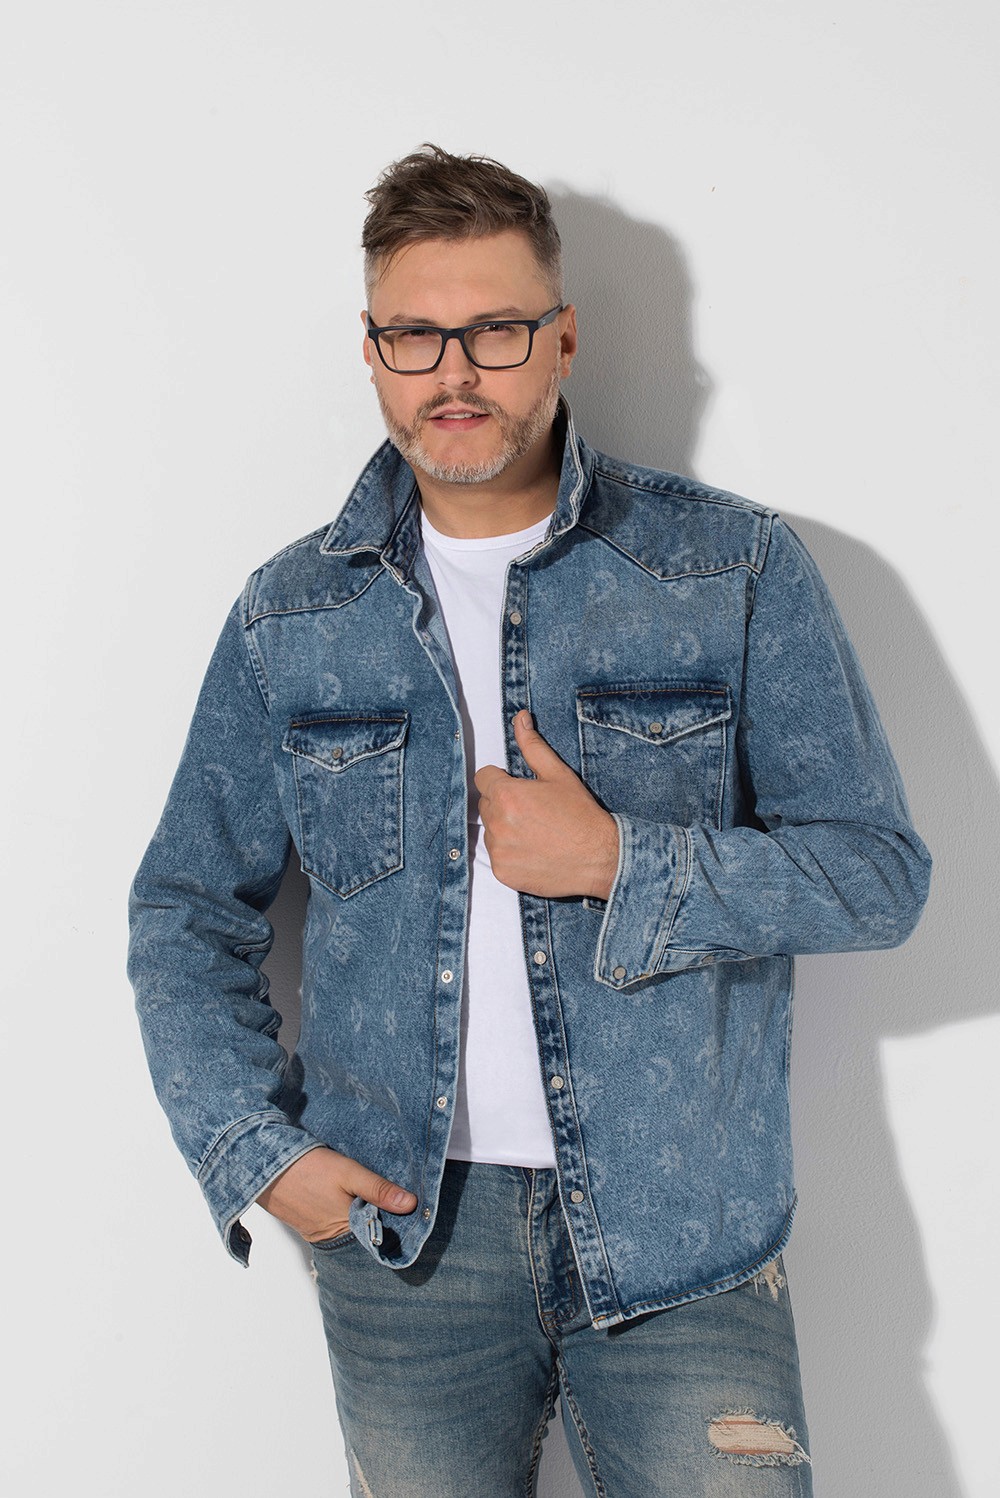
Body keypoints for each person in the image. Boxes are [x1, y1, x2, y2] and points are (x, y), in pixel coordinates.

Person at [129, 145, 931, 1496]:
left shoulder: (729, 566)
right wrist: (257, 1153)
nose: (455, 371)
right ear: (372, 351)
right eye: (415, 334)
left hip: (687, 1239)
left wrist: (627, 861)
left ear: (560, 337)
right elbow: (184, 908)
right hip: (408, 1248)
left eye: (495, 330)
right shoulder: (291, 616)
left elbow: (878, 874)